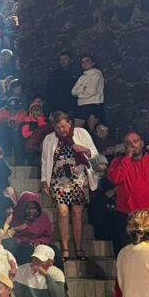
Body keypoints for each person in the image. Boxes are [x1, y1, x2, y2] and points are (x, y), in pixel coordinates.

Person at [40, 111, 99, 260]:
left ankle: (79, 248)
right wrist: (44, 180)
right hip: (59, 180)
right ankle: (65, 248)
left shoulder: (81, 133)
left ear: (70, 123)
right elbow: (45, 159)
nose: (62, 130)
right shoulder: (49, 139)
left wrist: (84, 149)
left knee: (77, 214)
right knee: (63, 212)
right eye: (58, 127)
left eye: (64, 126)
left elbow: (95, 153)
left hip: (78, 179)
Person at [107, 131, 149, 258]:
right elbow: (116, 178)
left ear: (142, 143)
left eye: (135, 141)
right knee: (127, 251)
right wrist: (127, 158)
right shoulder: (118, 162)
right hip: (127, 213)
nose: (133, 145)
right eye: (128, 143)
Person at [71, 54, 105, 127]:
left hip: (93, 105)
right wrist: (83, 89)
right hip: (81, 106)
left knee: (93, 131)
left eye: (87, 61)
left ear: (93, 63)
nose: (85, 63)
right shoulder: (82, 77)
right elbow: (73, 91)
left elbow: (91, 91)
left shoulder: (96, 75)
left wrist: (79, 94)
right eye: (82, 62)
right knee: (76, 130)